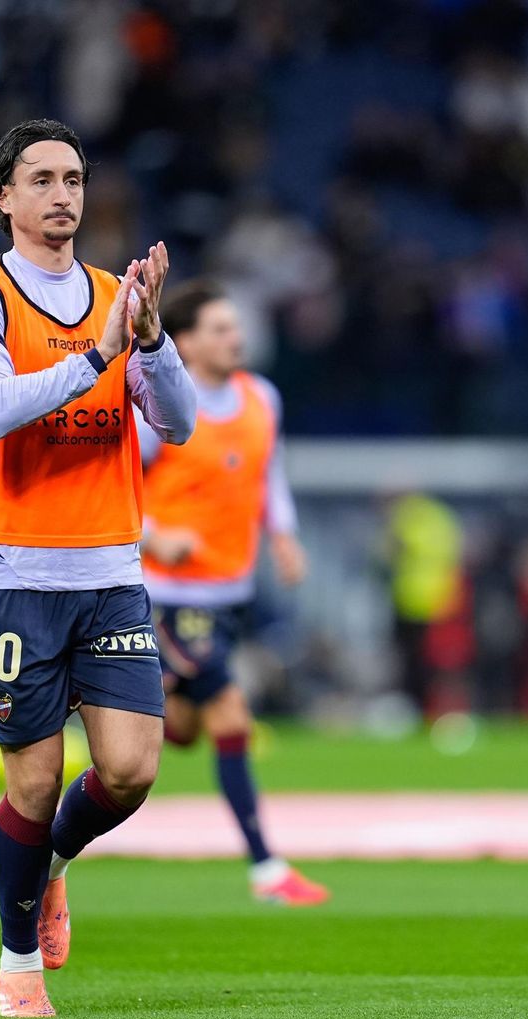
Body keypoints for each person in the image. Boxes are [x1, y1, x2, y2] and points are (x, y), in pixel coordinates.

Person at [0, 118, 195, 1018]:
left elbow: (180, 423)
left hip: (108, 569)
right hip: (11, 575)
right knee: (35, 781)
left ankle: (48, 863)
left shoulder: (116, 296)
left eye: (75, 178)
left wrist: (153, 340)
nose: (63, 195)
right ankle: (17, 965)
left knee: (129, 772)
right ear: (4, 196)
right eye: (42, 179)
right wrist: (101, 354)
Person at [140, 281, 328, 906]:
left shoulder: (260, 398)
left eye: (236, 326)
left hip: (232, 590)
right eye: (220, 329)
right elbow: (109, 483)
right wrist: (153, 535)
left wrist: (284, 535)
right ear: (185, 342)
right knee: (231, 715)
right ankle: (266, 867)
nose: (235, 338)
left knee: (187, 730)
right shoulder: (164, 408)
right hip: (170, 593)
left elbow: (268, 472)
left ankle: (126, 701)